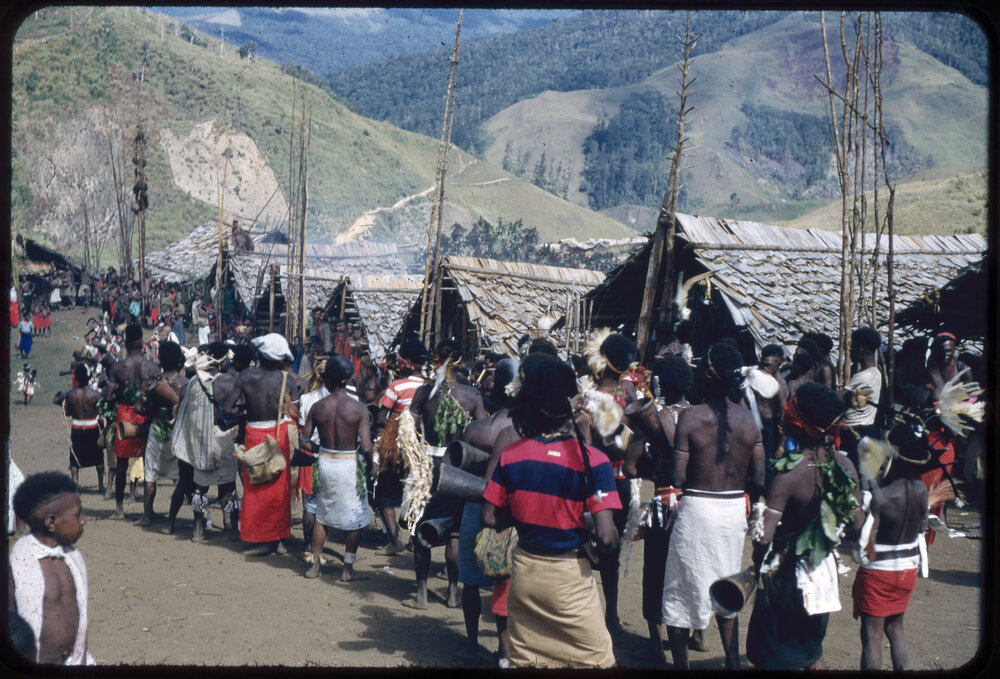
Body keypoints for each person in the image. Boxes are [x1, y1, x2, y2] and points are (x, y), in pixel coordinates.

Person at [481, 358, 621, 669]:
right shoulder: (594, 460)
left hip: (525, 573)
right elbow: (608, 538)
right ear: (572, 403)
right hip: (569, 579)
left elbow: (489, 518)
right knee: (597, 662)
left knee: (528, 660)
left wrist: (525, 512)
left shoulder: (512, 455)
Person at [661, 341, 765, 669]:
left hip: (697, 509)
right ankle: (733, 663)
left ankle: (681, 667)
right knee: (726, 587)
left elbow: (677, 476)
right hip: (733, 512)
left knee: (680, 591)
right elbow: (760, 477)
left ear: (706, 374)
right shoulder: (750, 421)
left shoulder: (690, 417)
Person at [746, 382, 864, 670]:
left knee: (773, 655)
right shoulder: (845, 467)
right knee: (811, 651)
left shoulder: (788, 474)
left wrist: (757, 563)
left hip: (786, 576)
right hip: (823, 571)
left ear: (797, 424)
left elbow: (765, 537)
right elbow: (858, 524)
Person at [406, 340, 487, 610]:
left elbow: (409, 427)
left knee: (421, 529)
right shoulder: (472, 395)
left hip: (428, 466)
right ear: (460, 359)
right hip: (459, 467)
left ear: (435, 360)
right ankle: (453, 594)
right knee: (454, 533)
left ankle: (421, 595)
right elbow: (481, 431)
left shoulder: (424, 392)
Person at [453, 358, 519, 666]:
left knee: (471, 581)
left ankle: (471, 642)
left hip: (475, 506)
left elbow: (458, 474)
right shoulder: (526, 431)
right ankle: (505, 648)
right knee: (504, 582)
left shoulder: (477, 429)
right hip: (510, 514)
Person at [222, 333, 302, 556]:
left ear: (260, 355)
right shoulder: (289, 381)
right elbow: (295, 414)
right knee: (279, 488)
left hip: (255, 434)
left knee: (256, 486)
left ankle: (261, 538)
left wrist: (249, 409)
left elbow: (228, 409)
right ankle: (279, 539)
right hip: (280, 436)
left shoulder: (246, 376)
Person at [853, 446, 929, 670]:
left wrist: (857, 514)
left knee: (872, 634)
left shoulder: (881, 496)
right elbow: (923, 525)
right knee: (896, 629)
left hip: (880, 572)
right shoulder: (922, 489)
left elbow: (867, 543)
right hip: (907, 570)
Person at [9, 472, 94, 664]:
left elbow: (82, 616)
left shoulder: (73, 559)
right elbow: (11, 628)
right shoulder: (19, 568)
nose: (83, 520)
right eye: (77, 514)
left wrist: (80, 658)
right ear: (51, 523)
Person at [639, 355, 692, 663]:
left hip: (665, 503)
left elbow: (633, 462)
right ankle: (698, 634)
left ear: (663, 383)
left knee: (656, 571)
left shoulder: (659, 417)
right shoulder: (700, 414)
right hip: (693, 504)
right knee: (687, 569)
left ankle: (657, 644)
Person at [302, 356, 373, 582]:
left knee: (322, 515)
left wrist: (319, 448)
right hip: (349, 465)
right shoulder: (358, 409)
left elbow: (304, 441)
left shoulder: (317, 406)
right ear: (346, 380)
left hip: (324, 463)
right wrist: (372, 466)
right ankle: (347, 570)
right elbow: (368, 446)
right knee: (356, 516)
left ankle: (314, 565)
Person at [167, 343, 234, 540]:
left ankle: (197, 528)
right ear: (222, 361)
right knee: (228, 487)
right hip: (222, 439)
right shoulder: (227, 383)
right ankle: (230, 523)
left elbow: (186, 415)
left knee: (200, 490)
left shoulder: (193, 384)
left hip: (201, 442)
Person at [373, 338, 429, 556]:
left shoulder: (396, 386)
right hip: (422, 448)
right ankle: (415, 540)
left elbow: (380, 418)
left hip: (396, 448)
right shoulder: (428, 387)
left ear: (406, 363)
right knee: (417, 493)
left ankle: (395, 540)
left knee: (385, 494)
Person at [103, 324, 160, 520]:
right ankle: (148, 510)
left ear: (125, 343)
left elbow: (108, 396)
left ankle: (119, 509)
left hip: (125, 417)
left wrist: (120, 391)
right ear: (142, 343)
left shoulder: (118, 367)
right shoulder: (153, 366)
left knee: (121, 464)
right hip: (147, 416)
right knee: (149, 463)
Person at [136, 341, 187, 528]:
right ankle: (194, 518)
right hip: (178, 434)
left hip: (156, 432)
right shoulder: (185, 383)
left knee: (150, 475)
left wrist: (153, 406)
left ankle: (147, 516)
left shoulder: (153, 382)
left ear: (160, 359)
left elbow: (139, 408)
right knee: (182, 477)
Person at [839, 327, 884, 466]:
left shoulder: (863, 377)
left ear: (861, 349)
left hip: (855, 434)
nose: (850, 351)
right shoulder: (875, 373)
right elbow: (858, 400)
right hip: (867, 430)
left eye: (852, 347)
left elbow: (838, 398)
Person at [62, 364, 105, 493]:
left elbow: (68, 413)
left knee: (75, 458)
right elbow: (100, 412)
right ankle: (101, 485)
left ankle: (75, 483)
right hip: (92, 427)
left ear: (78, 379)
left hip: (77, 428)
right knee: (98, 456)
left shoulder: (70, 394)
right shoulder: (95, 394)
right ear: (87, 378)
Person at [756, 343, 789, 469]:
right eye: (763, 364)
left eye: (768, 365)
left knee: (766, 464)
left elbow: (784, 414)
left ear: (778, 363)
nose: (765, 368)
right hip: (756, 424)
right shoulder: (760, 376)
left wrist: (781, 445)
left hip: (770, 427)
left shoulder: (779, 385)